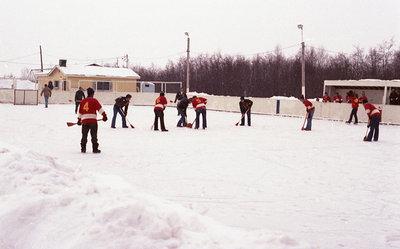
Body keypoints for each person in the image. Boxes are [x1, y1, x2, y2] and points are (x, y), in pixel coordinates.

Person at [77, 88, 107, 153]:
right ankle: (95, 149)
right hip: (93, 121)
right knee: (94, 135)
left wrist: (79, 120)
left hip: (84, 121)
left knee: (84, 135)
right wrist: (104, 115)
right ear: (93, 94)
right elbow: (99, 109)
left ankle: (83, 148)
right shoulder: (94, 100)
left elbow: (80, 112)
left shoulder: (83, 101)